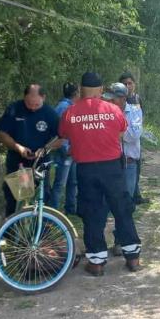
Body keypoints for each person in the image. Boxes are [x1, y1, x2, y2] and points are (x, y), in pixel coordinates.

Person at [59, 72, 142, 276]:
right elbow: (121, 133)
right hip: (112, 167)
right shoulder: (113, 109)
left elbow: (64, 135)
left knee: (92, 213)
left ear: (80, 89)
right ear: (101, 89)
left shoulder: (71, 112)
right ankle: (133, 259)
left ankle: (96, 263)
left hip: (86, 169)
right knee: (122, 208)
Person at [0, 84, 59, 217]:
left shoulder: (50, 114)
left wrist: (45, 149)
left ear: (43, 97)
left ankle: (39, 232)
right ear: (24, 97)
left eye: (36, 104)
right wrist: (18, 147)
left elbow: (62, 138)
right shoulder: (14, 109)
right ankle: (12, 233)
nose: (32, 107)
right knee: (15, 198)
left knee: (42, 197)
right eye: (29, 103)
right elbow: (2, 133)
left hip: (40, 164)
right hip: (18, 163)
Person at [103, 82, 143, 257]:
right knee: (105, 202)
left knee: (124, 204)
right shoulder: (104, 112)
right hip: (109, 163)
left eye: (113, 99)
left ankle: (121, 241)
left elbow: (133, 135)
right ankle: (99, 242)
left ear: (122, 98)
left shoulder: (134, 111)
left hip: (128, 163)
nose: (110, 102)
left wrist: (116, 125)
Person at [49, 82, 79, 215]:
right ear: (75, 94)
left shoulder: (68, 106)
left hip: (71, 152)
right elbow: (59, 132)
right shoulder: (64, 107)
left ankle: (70, 209)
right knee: (60, 183)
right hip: (64, 152)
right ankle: (53, 212)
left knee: (73, 181)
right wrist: (66, 149)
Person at [119, 71, 149, 205]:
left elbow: (139, 121)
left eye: (129, 83)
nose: (127, 86)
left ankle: (136, 195)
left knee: (136, 167)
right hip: (119, 149)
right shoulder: (114, 103)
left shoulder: (137, 99)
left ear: (134, 85)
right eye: (124, 84)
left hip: (134, 141)